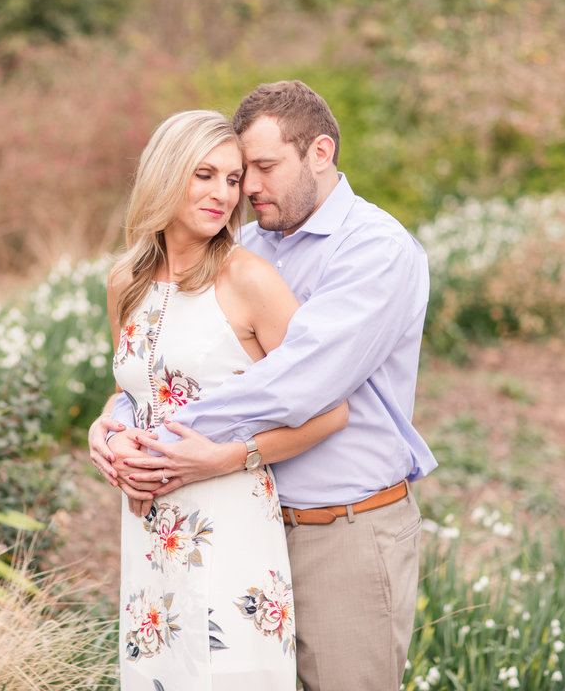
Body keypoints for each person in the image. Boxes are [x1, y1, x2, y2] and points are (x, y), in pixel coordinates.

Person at [91, 81, 436, 691]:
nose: (244, 189)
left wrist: (159, 447)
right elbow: (166, 372)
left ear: (321, 153)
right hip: (240, 522)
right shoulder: (241, 245)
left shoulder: (375, 251)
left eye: (261, 169)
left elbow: (301, 386)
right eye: (234, 172)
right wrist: (114, 423)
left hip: (342, 532)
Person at [105, 109, 350, 690]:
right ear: (166, 174)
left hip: (230, 520)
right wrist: (109, 434)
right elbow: (129, 390)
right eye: (204, 175)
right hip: (147, 530)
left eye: (234, 179)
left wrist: (228, 457)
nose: (223, 194)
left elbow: (330, 410)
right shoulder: (124, 282)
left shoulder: (250, 280)